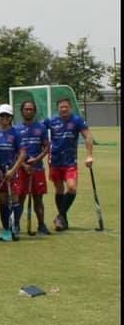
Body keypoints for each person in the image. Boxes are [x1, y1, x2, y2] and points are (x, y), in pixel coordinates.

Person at [47, 97, 94, 231]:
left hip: (70, 162)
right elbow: (38, 128)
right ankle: (63, 220)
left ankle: (59, 216)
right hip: (54, 161)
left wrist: (89, 155)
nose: (63, 109)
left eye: (66, 107)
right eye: (61, 107)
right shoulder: (52, 121)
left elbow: (88, 136)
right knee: (59, 190)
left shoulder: (77, 120)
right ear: (58, 108)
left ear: (70, 108)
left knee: (72, 188)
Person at [0, 104, 26, 240]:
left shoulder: (16, 134)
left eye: (7, 116)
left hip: (13, 171)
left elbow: (22, 154)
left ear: (11, 118)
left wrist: (13, 170)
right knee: (2, 200)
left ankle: (15, 226)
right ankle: (6, 229)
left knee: (15, 199)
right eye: (1, 116)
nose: (4, 118)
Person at [16, 100, 51, 234]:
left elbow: (47, 146)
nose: (28, 111)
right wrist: (24, 164)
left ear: (34, 111)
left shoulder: (41, 128)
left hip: (37, 169)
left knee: (38, 198)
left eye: (31, 109)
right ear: (22, 111)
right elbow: (15, 150)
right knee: (20, 198)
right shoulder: (17, 129)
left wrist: (37, 159)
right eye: (26, 109)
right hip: (22, 168)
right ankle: (17, 226)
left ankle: (41, 225)